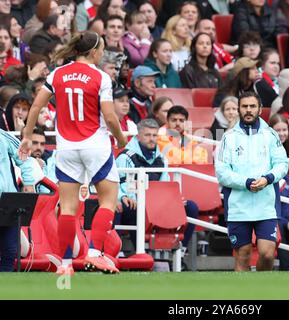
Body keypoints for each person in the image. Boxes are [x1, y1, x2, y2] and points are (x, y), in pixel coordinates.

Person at [18, 31, 128, 276]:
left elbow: (37, 105)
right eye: (101, 49)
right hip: (96, 145)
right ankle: (95, 253)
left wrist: (26, 135)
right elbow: (110, 117)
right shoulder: (101, 77)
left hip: (66, 147)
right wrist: (121, 140)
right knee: (107, 200)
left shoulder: (58, 74)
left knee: (67, 208)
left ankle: (66, 264)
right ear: (94, 51)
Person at [215, 91, 289, 271]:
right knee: (243, 254)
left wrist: (267, 178)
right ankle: (243, 295)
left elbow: (282, 164)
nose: (248, 110)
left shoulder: (270, 135)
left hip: (266, 204)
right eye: (245, 106)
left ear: (260, 109)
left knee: (267, 253)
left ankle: (262, 290)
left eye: (252, 106)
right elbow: (222, 172)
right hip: (238, 206)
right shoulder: (228, 137)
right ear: (239, 109)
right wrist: (246, 182)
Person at [115, 118, 199, 252]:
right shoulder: (125, 156)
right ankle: (134, 252)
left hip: (155, 205)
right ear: (138, 136)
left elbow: (164, 186)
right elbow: (119, 184)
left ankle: (179, 250)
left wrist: (174, 201)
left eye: (154, 135)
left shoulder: (161, 158)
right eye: (147, 135)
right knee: (132, 207)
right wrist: (123, 197)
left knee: (191, 207)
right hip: (133, 204)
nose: (151, 139)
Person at [0, 128, 38, 271]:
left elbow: (25, 157)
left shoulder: (3, 136)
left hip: (7, 202)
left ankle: (6, 290)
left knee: (10, 251)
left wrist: (28, 183)